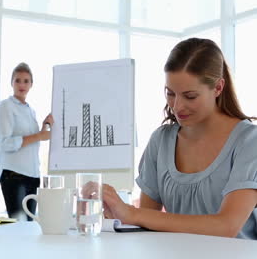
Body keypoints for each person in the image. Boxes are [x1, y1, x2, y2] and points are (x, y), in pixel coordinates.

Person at [101, 38, 257, 239]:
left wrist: (133, 213)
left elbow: (226, 226)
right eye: (170, 93)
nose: (177, 106)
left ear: (218, 88)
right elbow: (146, 225)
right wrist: (115, 213)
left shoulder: (249, 141)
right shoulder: (161, 140)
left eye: (190, 96)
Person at [0, 62, 53, 221]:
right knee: (18, 226)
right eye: (18, 80)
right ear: (11, 83)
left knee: (29, 226)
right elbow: (5, 143)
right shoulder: (5, 106)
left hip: (32, 175)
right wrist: (39, 136)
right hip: (14, 175)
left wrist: (42, 129)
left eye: (26, 81)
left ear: (31, 84)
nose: (22, 84)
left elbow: (32, 142)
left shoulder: (30, 110)